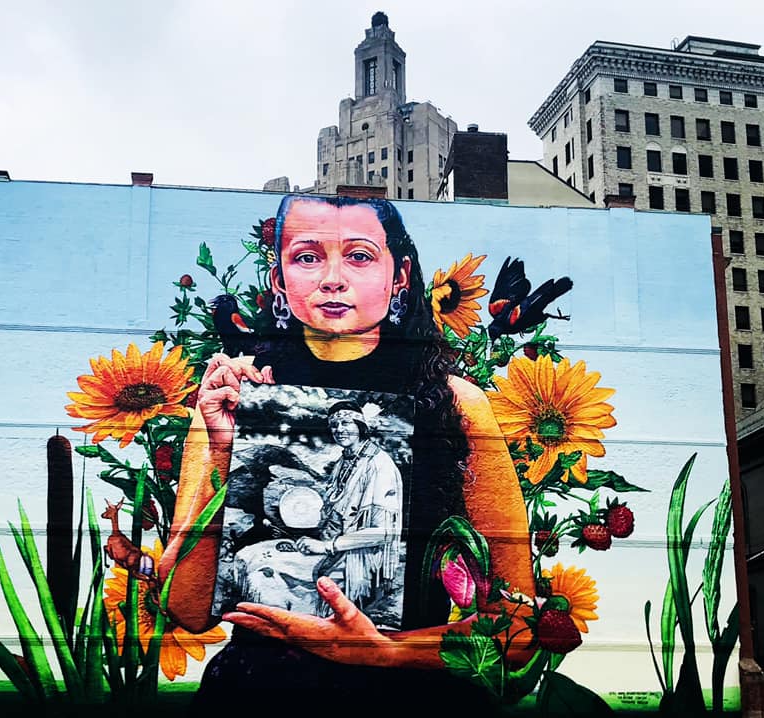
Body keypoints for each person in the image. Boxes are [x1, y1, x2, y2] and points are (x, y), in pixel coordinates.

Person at [157, 195, 534, 710]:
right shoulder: (236, 392)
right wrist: (225, 454)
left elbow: (519, 627)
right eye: (308, 257)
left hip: (409, 701)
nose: (332, 279)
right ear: (279, 280)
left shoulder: (458, 406)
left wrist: (387, 652)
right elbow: (186, 607)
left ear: (399, 276)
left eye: (359, 256)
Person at [297, 400, 403, 617]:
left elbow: (384, 532)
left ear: (361, 426)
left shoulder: (379, 465)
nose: (339, 430)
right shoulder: (344, 462)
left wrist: (326, 546)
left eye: (346, 423)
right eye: (334, 425)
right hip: (339, 550)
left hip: (363, 561)